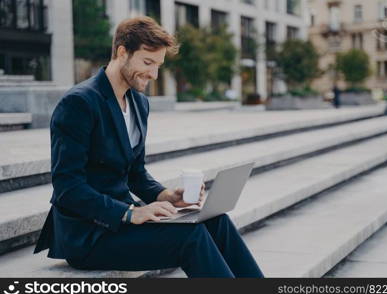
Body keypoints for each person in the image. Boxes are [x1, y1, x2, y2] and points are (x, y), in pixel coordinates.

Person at [33, 16, 264, 278]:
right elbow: (67, 188)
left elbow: (136, 173)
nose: (153, 74)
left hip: (122, 225)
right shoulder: (79, 103)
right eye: (147, 62)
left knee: (215, 220)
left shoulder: (139, 103)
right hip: (88, 236)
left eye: (158, 65)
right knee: (191, 237)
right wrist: (130, 213)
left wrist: (166, 196)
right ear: (122, 53)